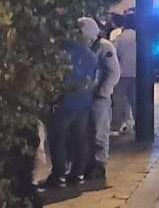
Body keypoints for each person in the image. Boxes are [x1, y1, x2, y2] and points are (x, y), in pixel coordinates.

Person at [43, 30, 98, 189]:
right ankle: (78, 172)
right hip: (84, 103)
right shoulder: (89, 54)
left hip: (64, 103)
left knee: (58, 140)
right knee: (80, 138)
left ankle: (59, 175)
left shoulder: (60, 54)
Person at [83, 18, 121, 182]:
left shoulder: (104, 47)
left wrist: (103, 92)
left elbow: (113, 72)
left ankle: (99, 165)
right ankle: (86, 164)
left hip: (99, 97)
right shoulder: (86, 46)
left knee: (99, 132)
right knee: (85, 132)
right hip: (85, 96)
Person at [108, 14, 137, 139]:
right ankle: (139, 124)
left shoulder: (121, 37)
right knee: (135, 100)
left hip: (122, 72)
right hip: (137, 73)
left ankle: (115, 126)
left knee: (118, 100)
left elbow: (114, 53)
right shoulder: (141, 36)